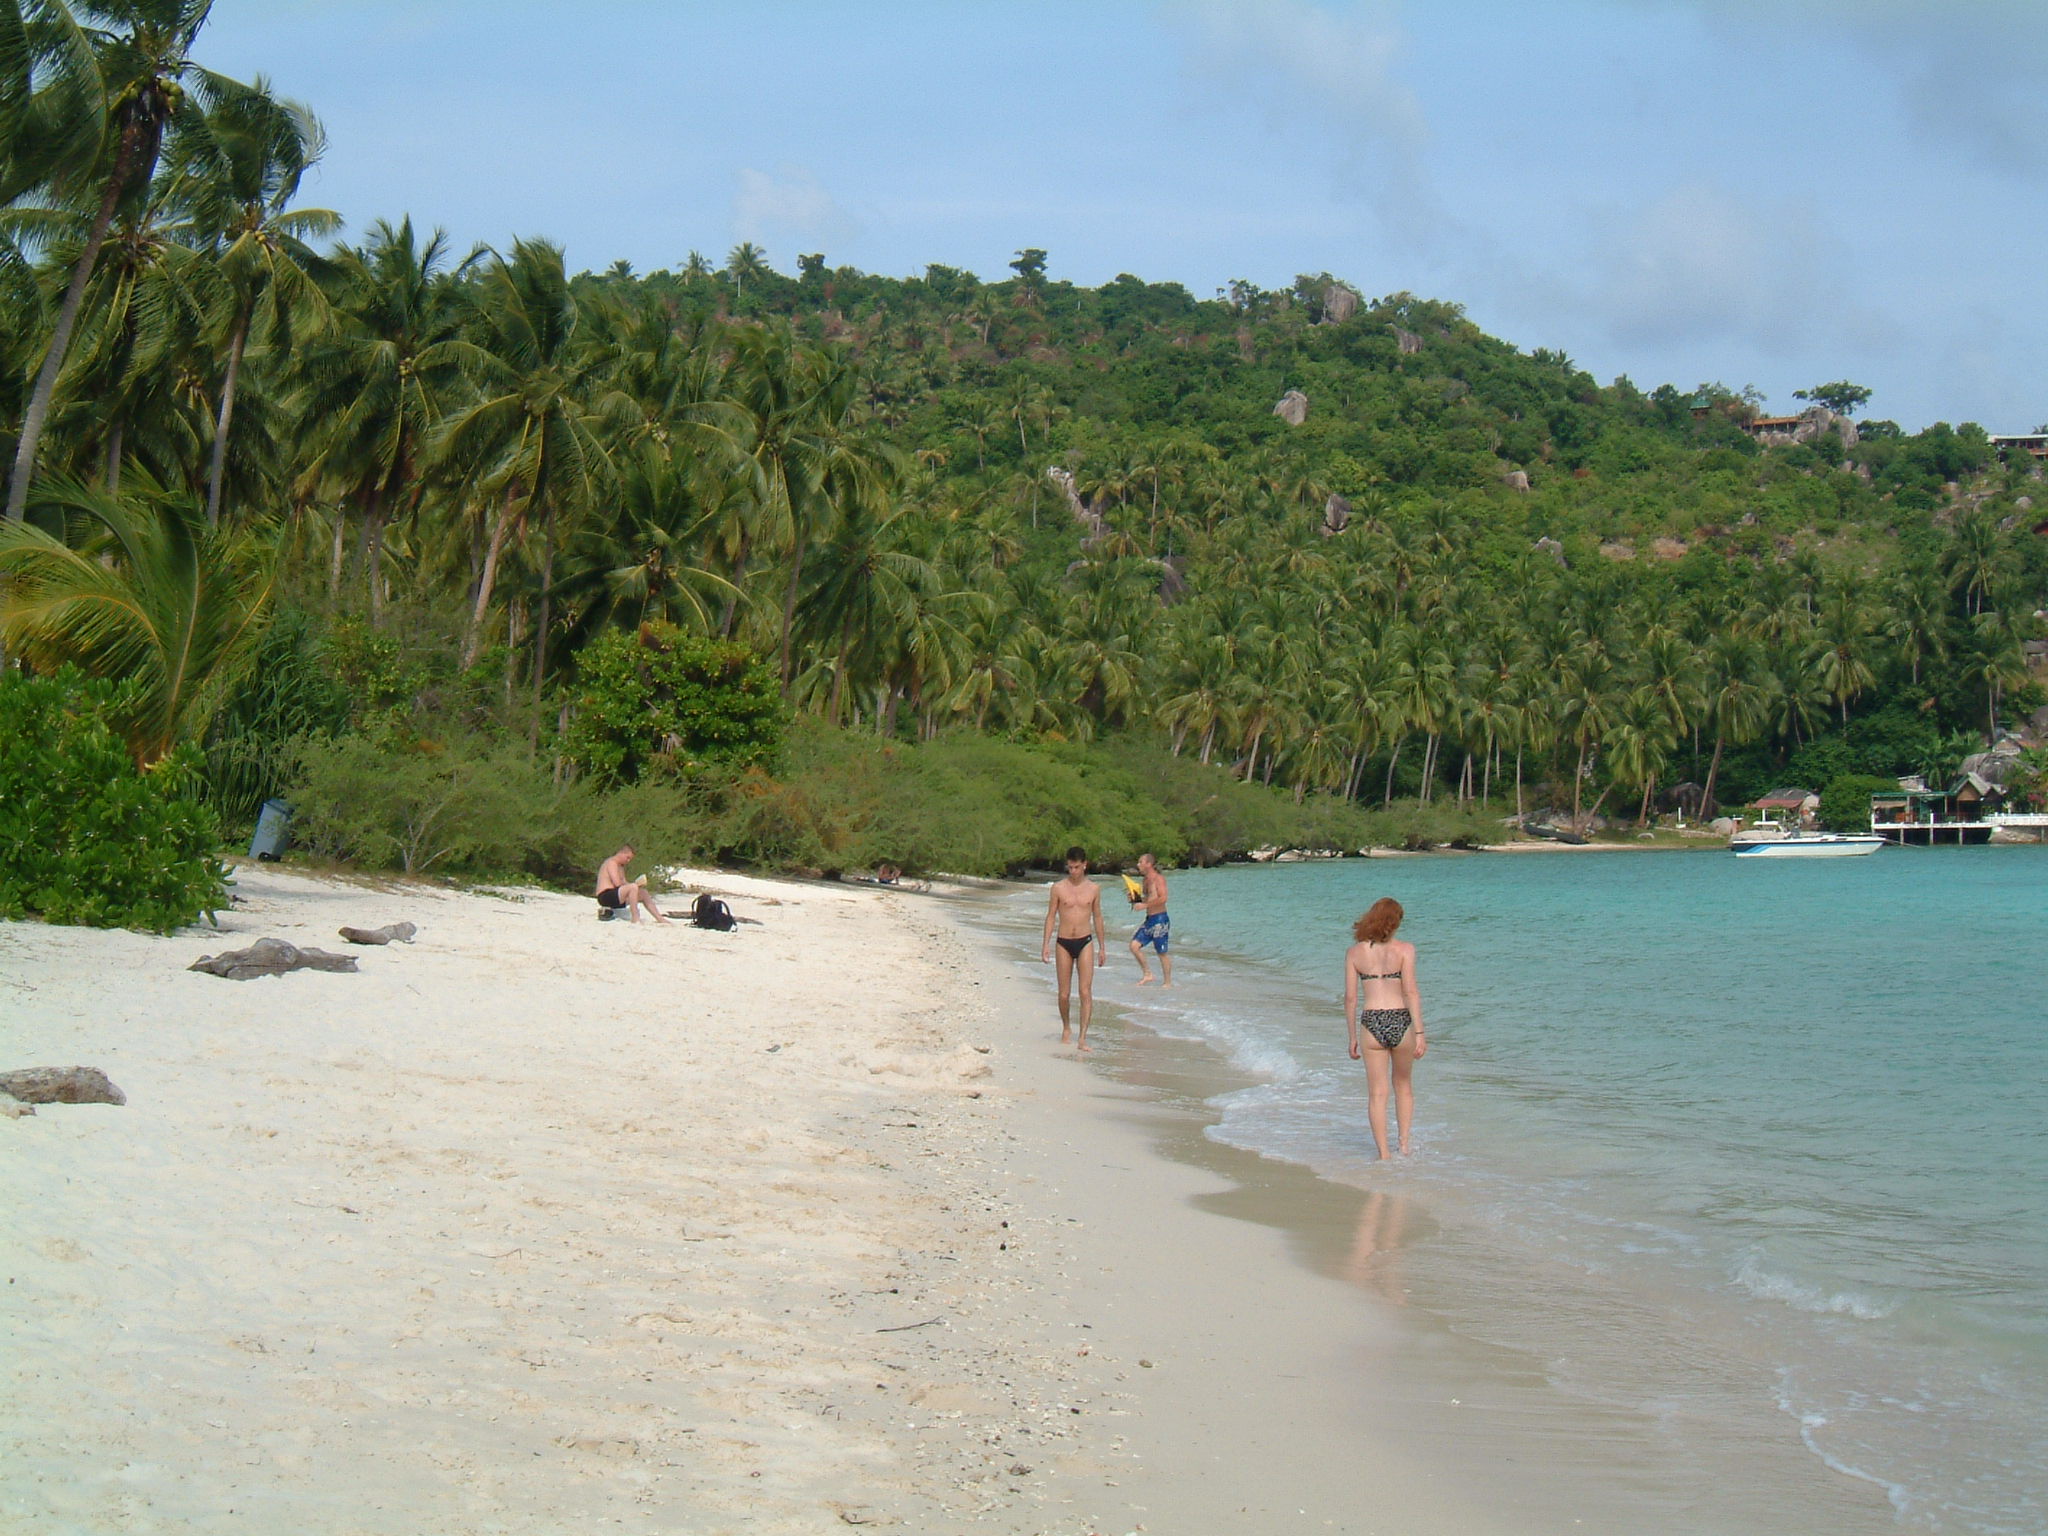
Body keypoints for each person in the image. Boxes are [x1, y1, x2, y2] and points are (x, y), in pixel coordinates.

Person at [1343, 896, 1425, 1158]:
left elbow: (1351, 998)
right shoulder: (1405, 950)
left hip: (1371, 1021)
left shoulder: (1355, 953)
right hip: (1400, 1019)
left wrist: (1352, 1037)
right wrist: (1420, 1033)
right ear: (1395, 922)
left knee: (1377, 1094)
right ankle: (1404, 1145)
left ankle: (1383, 1153)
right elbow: (1411, 992)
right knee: (1404, 1086)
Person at [1040, 846, 1107, 1051]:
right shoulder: (1058, 888)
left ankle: (1083, 1037)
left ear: (1085, 865)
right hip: (1063, 941)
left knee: (1085, 992)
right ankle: (1067, 1027)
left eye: (1076, 867)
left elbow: (1097, 916)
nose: (1073, 871)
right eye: (1070, 867)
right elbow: (1051, 916)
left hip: (1085, 941)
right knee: (1064, 994)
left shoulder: (1094, 889)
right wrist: (1045, 944)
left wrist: (1102, 947)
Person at [1126, 852, 1173, 987]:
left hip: (1160, 919)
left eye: (1141, 862)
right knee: (1134, 946)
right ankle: (1148, 974)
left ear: (1149, 864)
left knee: (1161, 952)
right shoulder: (1145, 880)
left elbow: (1163, 898)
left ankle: (1167, 982)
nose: (1138, 865)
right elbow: (1148, 899)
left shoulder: (1159, 879)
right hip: (1150, 919)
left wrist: (1145, 905)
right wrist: (1135, 900)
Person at [595, 845, 670, 925]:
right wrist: (633, 886)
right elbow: (617, 883)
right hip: (605, 895)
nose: (628, 861)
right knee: (633, 887)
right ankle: (635, 917)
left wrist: (638, 885)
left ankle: (659, 918)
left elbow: (624, 882)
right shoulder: (612, 863)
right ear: (621, 853)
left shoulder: (620, 866)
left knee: (643, 892)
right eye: (627, 857)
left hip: (616, 896)